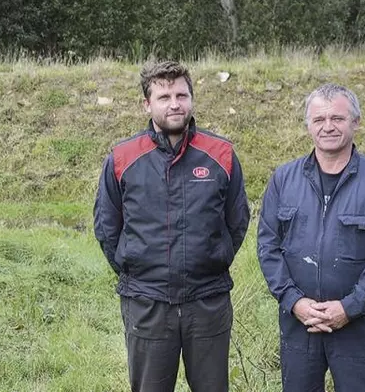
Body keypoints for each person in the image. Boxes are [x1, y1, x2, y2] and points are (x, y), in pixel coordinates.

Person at [94, 60, 250, 392]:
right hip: (147, 303)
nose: (175, 103)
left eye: (182, 94)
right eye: (164, 97)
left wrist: (212, 258)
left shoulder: (220, 154)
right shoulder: (123, 157)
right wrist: (135, 267)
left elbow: (237, 221)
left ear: (192, 99)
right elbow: (108, 227)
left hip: (207, 301)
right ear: (147, 104)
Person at [257, 83, 365, 392]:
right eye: (319, 119)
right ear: (308, 125)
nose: (328, 127)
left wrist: (351, 307)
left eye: (338, 118)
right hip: (300, 324)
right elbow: (268, 246)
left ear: (356, 122)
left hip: (358, 327)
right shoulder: (283, 180)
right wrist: (293, 301)